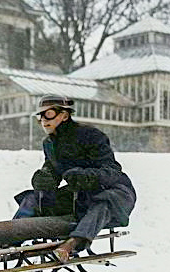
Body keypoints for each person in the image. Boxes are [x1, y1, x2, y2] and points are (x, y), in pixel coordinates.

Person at [13, 95, 136, 262]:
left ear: (64, 115)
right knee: (32, 198)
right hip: (78, 196)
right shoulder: (49, 144)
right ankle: (8, 240)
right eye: (40, 116)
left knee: (103, 202)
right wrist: (44, 179)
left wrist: (88, 177)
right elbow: (52, 170)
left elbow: (112, 170)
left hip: (114, 191)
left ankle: (71, 245)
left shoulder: (90, 135)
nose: (43, 120)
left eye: (48, 114)